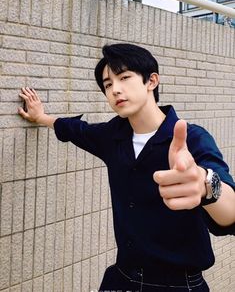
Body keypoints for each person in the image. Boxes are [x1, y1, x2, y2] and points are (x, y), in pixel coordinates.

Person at [19, 43, 235, 292]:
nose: (115, 90)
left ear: (151, 81)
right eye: (108, 84)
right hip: (121, 278)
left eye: (124, 77)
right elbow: (76, 130)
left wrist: (206, 184)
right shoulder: (113, 136)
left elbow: (230, 212)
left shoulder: (191, 138)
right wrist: (41, 117)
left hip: (178, 284)